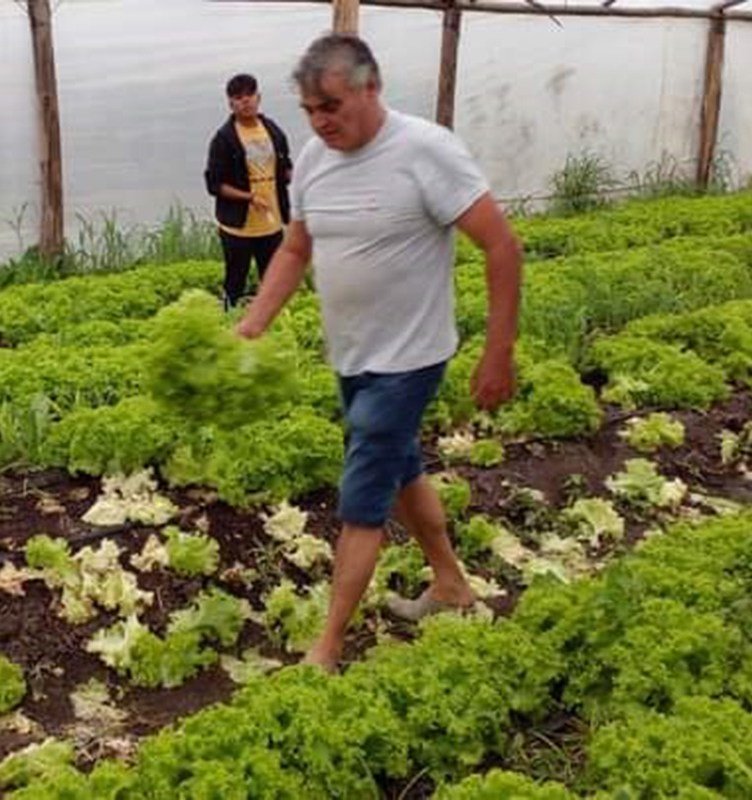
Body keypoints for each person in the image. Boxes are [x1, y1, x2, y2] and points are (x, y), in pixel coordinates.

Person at [236, 35, 523, 671]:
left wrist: (497, 352)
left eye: (331, 105)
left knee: (362, 499)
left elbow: (502, 246)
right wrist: (253, 322)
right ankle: (450, 585)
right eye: (310, 108)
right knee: (401, 472)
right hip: (352, 358)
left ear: (371, 87)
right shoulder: (311, 159)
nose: (320, 120)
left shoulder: (426, 151)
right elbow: (294, 249)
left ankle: (328, 647)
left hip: (409, 360)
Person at [205, 73, 292, 309]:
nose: (245, 101)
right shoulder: (224, 139)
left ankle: (273, 327)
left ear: (259, 97)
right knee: (235, 282)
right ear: (230, 103)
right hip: (238, 227)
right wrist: (249, 197)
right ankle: (229, 323)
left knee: (274, 281)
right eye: (238, 97)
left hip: (271, 223)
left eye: (249, 95)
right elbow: (214, 184)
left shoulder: (273, 130)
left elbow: (286, 169)